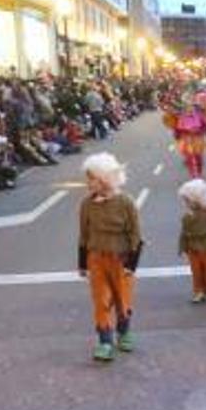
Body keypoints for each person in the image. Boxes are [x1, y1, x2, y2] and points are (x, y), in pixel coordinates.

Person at [76, 153, 142, 362]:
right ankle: (105, 341)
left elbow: (136, 235)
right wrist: (82, 263)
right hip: (96, 259)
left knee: (122, 299)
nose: (87, 183)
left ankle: (124, 332)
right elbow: (84, 235)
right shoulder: (87, 204)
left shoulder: (125, 203)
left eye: (91, 178)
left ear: (104, 179)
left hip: (121, 260)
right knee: (101, 301)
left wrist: (132, 264)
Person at [177, 178, 206, 303]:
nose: (186, 203)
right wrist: (182, 248)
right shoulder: (187, 216)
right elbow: (184, 233)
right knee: (196, 272)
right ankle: (199, 291)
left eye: (188, 200)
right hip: (193, 249)